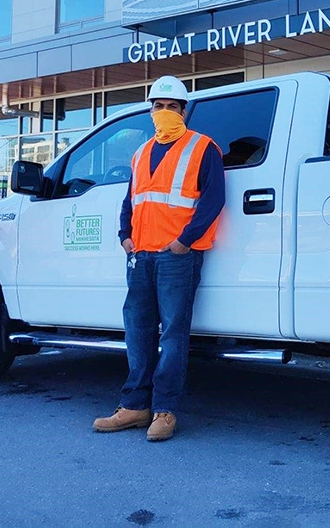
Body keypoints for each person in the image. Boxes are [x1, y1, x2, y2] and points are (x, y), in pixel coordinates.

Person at [93, 75, 226, 442]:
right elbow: (131, 200)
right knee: (136, 331)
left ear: (184, 111)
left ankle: (165, 409)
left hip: (176, 256)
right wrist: (124, 236)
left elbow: (213, 200)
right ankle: (135, 406)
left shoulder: (203, 148)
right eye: (158, 106)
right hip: (140, 255)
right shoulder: (141, 152)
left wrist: (183, 242)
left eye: (171, 106)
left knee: (173, 333)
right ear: (150, 111)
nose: (163, 112)